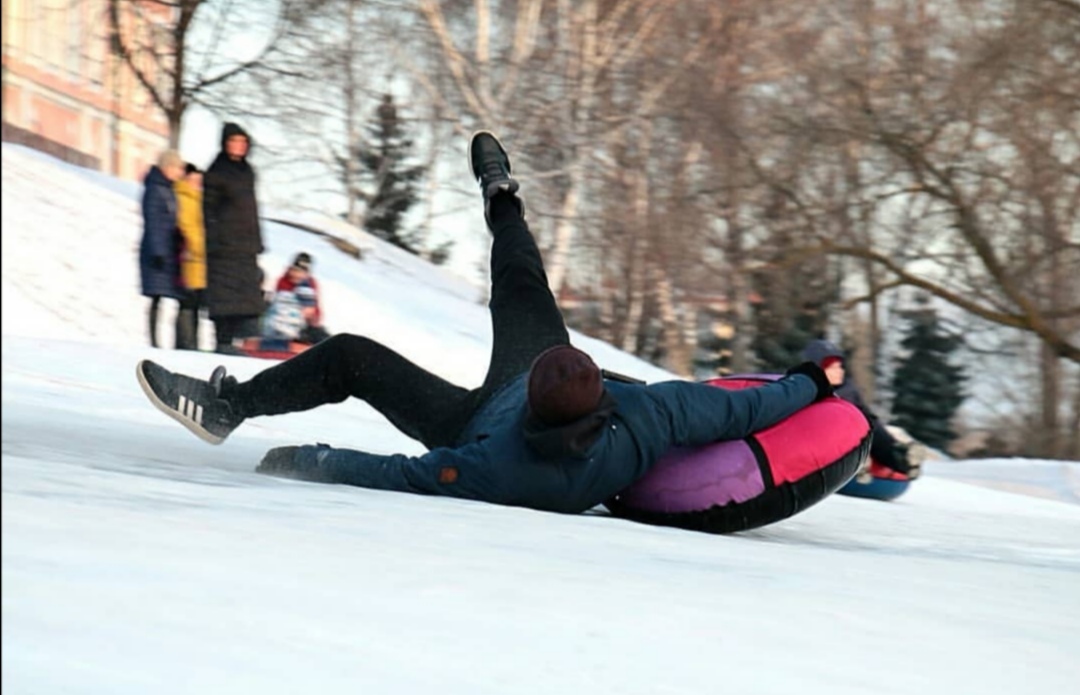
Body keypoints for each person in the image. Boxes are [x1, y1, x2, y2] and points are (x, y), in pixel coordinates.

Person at [135, 132, 836, 515]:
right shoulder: (648, 409)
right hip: (532, 401)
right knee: (523, 282)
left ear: (538, 391)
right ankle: (501, 194)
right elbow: (745, 405)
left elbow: (399, 473)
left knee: (350, 354)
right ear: (603, 388)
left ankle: (229, 406)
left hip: (471, 419)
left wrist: (301, 458)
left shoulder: (504, 466)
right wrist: (813, 380)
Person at [801, 339, 921, 478]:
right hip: (826, 442)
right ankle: (856, 461)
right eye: (832, 367)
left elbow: (866, 414)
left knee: (871, 427)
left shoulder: (848, 389)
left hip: (857, 432)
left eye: (840, 366)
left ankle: (901, 459)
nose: (839, 371)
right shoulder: (806, 390)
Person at [203, 122, 266, 354]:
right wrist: (214, 240)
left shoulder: (247, 171)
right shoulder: (216, 171)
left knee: (248, 302)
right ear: (225, 144)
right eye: (234, 141)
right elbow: (207, 210)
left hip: (246, 248)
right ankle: (222, 344)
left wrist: (257, 241)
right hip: (224, 248)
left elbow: (251, 210)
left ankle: (244, 348)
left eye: (242, 142)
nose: (239, 146)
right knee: (224, 302)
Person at [139, 149, 187, 348]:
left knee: (164, 297)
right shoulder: (155, 189)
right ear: (167, 167)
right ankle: (154, 341)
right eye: (177, 168)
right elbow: (154, 222)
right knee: (156, 298)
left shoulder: (168, 189)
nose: (180, 172)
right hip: (156, 252)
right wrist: (158, 251)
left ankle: (161, 341)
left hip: (166, 250)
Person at [262, 252, 331, 345]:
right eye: (295, 270)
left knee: (321, 336)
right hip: (283, 322)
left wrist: (314, 318)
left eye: (301, 272)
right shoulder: (283, 281)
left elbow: (313, 307)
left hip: (304, 323)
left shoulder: (310, 284)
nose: (297, 275)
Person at [174, 163, 207, 350]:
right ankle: (186, 343)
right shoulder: (183, 197)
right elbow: (186, 226)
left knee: (196, 304)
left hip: (200, 261)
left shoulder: (197, 198)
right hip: (190, 257)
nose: (197, 183)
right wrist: (198, 246)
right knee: (187, 303)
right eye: (194, 179)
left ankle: (192, 342)